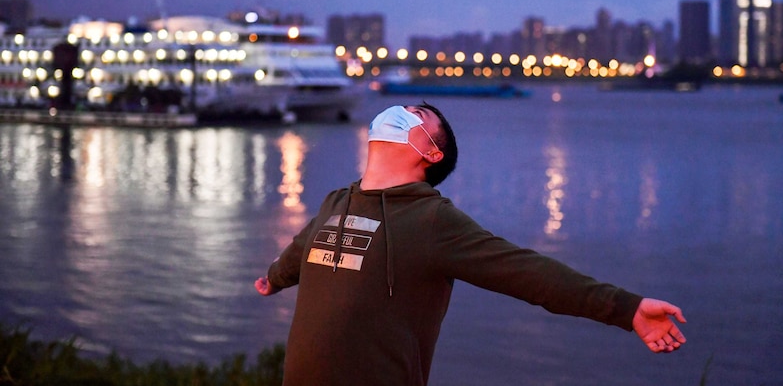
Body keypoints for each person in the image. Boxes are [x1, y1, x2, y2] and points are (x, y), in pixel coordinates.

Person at [255, 103, 686, 385]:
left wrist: (627, 309)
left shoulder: (432, 220)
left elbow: (526, 272)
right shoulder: (337, 200)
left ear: (431, 152)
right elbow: (302, 246)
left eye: (417, 113)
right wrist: (274, 278)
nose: (401, 111)